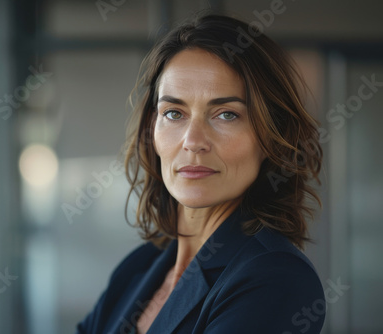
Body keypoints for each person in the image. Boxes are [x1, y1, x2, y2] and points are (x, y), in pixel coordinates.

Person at [76, 13, 325, 334]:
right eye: (174, 113)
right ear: (152, 129)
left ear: (270, 137)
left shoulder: (276, 278)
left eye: (226, 114)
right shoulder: (140, 266)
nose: (193, 142)